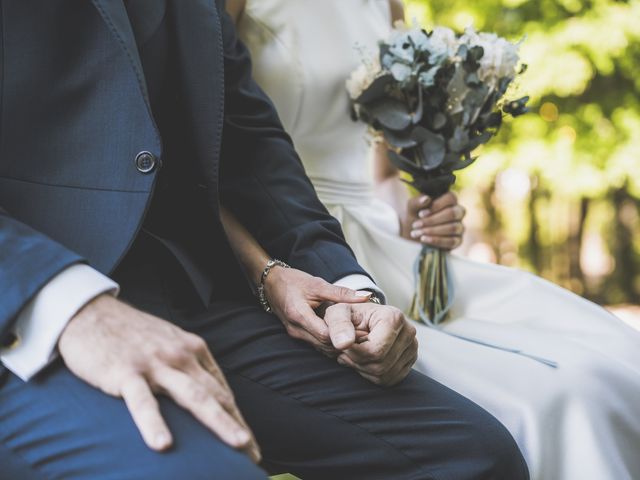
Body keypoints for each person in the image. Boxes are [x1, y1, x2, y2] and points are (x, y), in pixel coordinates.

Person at [0, 1, 529, 479]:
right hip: (26, 318)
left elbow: (250, 144)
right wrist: (68, 305)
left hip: (188, 295)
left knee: (474, 454)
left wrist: (345, 289)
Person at [228, 0, 640, 478]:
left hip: (381, 242)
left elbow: (382, 172)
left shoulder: (385, 4)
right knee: (558, 397)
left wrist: (421, 210)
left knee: (613, 355)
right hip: (292, 249)